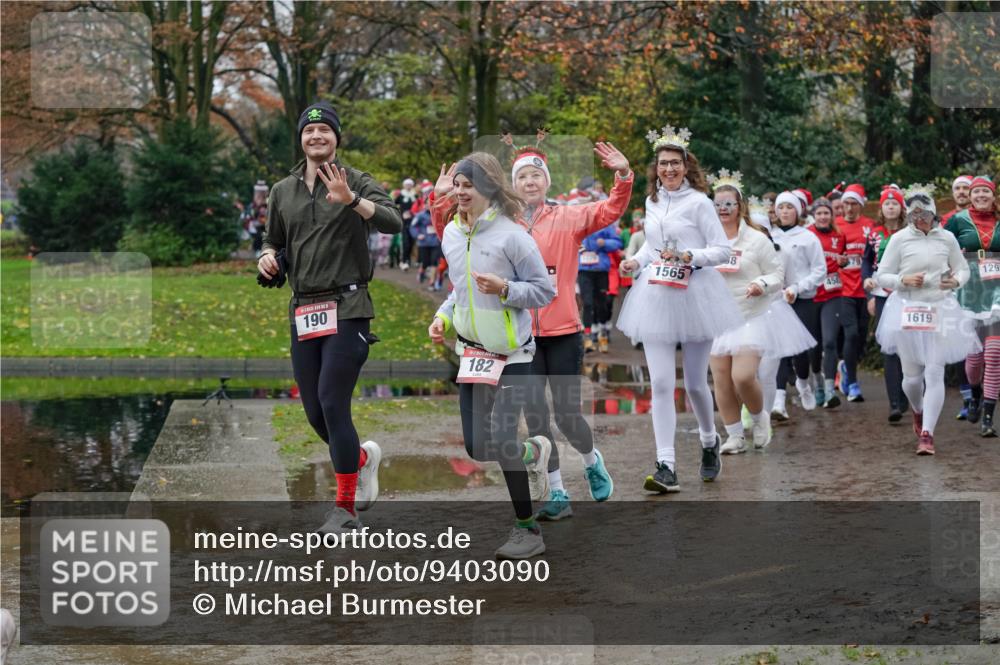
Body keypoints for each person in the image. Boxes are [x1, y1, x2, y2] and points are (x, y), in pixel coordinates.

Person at [431, 140, 632, 521]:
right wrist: (441, 199)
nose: (529, 181)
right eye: (521, 175)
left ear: (546, 181)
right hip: (520, 340)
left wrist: (622, 176)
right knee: (536, 418)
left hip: (561, 330)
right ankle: (557, 494)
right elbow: (458, 252)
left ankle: (591, 460)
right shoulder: (500, 222)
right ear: (510, 184)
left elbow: (610, 210)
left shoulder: (568, 217)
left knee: (568, 416)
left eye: (536, 174)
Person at [259, 101, 402, 533]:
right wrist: (267, 259)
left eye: (324, 131)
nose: (316, 137)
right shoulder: (282, 191)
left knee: (333, 403)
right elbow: (273, 241)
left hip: (348, 307)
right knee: (314, 412)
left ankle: (345, 510)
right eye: (309, 131)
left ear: (337, 138)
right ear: (300, 139)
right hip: (303, 309)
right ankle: (359, 459)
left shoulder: (355, 180)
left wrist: (353, 201)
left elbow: (394, 222)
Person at [427, 152, 556, 558]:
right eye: (459, 185)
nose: (462, 192)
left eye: (470, 185)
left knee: (501, 437)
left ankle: (527, 529)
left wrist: (505, 288)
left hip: (514, 354)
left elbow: (544, 290)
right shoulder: (451, 233)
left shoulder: (512, 235)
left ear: (489, 188)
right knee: (478, 448)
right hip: (472, 354)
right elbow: (459, 290)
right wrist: (443, 318)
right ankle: (534, 452)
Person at [618, 126, 741, 491]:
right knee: (659, 383)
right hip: (656, 293)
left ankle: (708, 441)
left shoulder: (700, 203)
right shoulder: (652, 201)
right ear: (655, 168)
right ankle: (665, 464)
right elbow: (650, 248)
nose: (668, 169)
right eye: (662, 164)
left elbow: (722, 251)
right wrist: (634, 263)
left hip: (696, 295)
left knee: (694, 384)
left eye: (675, 163)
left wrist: (690, 256)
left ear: (686, 166)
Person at [707, 175, 815, 454]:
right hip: (717, 316)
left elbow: (777, 274)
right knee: (721, 379)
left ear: (739, 206)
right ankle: (733, 436)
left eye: (729, 203)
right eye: (718, 204)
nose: (724, 208)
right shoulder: (707, 240)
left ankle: (759, 417)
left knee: (742, 376)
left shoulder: (756, 240)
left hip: (750, 315)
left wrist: (761, 284)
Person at [874, 187, 980, 454]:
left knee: (934, 372)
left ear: (934, 215)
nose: (919, 220)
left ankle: (927, 435)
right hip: (907, 307)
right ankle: (917, 409)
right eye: (914, 215)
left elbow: (963, 268)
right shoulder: (899, 239)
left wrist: (955, 280)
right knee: (911, 378)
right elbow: (882, 275)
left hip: (940, 308)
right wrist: (902, 280)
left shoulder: (947, 239)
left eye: (924, 215)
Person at [945, 175, 1000, 436]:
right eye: (976, 191)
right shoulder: (958, 220)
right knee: (974, 359)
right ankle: (975, 392)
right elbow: (942, 248)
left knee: (994, 354)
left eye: (985, 192)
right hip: (968, 289)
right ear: (971, 195)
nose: (980, 195)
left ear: (992, 195)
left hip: (997, 290)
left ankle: (988, 417)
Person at [769, 191, 826, 420]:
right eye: (781, 207)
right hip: (776, 300)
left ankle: (803, 382)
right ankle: (779, 400)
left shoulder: (808, 237)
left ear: (798, 211)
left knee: (800, 350)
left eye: (789, 207)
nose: (784, 212)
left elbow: (819, 270)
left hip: (802, 299)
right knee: (780, 349)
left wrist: (798, 288)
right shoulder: (770, 237)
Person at [863, 185, 909, 422]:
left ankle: (907, 395)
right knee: (888, 348)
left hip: (907, 294)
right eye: (886, 203)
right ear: (881, 208)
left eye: (895, 203)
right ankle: (894, 404)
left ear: (902, 208)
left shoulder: (910, 231)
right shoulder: (874, 234)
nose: (890, 206)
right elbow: (866, 262)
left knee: (907, 347)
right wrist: (868, 289)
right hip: (882, 296)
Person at [832, 183, 876, 402]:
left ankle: (846, 367)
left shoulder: (870, 226)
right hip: (843, 290)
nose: (848, 208)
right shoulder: (835, 226)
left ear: (860, 205)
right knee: (851, 334)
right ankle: (853, 382)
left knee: (860, 337)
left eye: (853, 204)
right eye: (845, 203)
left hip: (865, 290)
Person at [808, 198, 849, 409]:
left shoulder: (839, 235)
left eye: (826, 213)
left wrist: (844, 261)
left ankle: (830, 388)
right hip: (812, 295)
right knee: (814, 346)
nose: (823, 217)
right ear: (813, 216)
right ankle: (818, 384)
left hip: (833, 293)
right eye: (819, 214)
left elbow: (846, 257)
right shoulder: (807, 234)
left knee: (830, 342)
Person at [942, 175, 975, 419]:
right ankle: (968, 399)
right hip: (956, 290)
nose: (962, 192)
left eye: (966, 188)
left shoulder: (988, 220)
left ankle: (983, 394)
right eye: (958, 188)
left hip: (987, 290)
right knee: (962, 344)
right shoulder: (947, 221)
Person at [578, 222, 623, 353]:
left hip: (601, 270)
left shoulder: (604, 226)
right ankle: (588, 337)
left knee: (601, 304)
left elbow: (618, 243)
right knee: (587, 303)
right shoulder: (578, 225)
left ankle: (602, 333)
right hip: (584, 270)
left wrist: (605, 243)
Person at [396, 178, 419, 270]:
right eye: (407, 184)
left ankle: (408, 260)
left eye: (410, 184)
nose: (408, 186)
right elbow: (394, 204)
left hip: (413, 221)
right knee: (405, 242)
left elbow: (419, 207)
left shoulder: (415, 195)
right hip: (404, 222)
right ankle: (404, 261)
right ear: (404, 185)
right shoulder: (401, 195)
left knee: (411, 241)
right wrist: (400, 213)